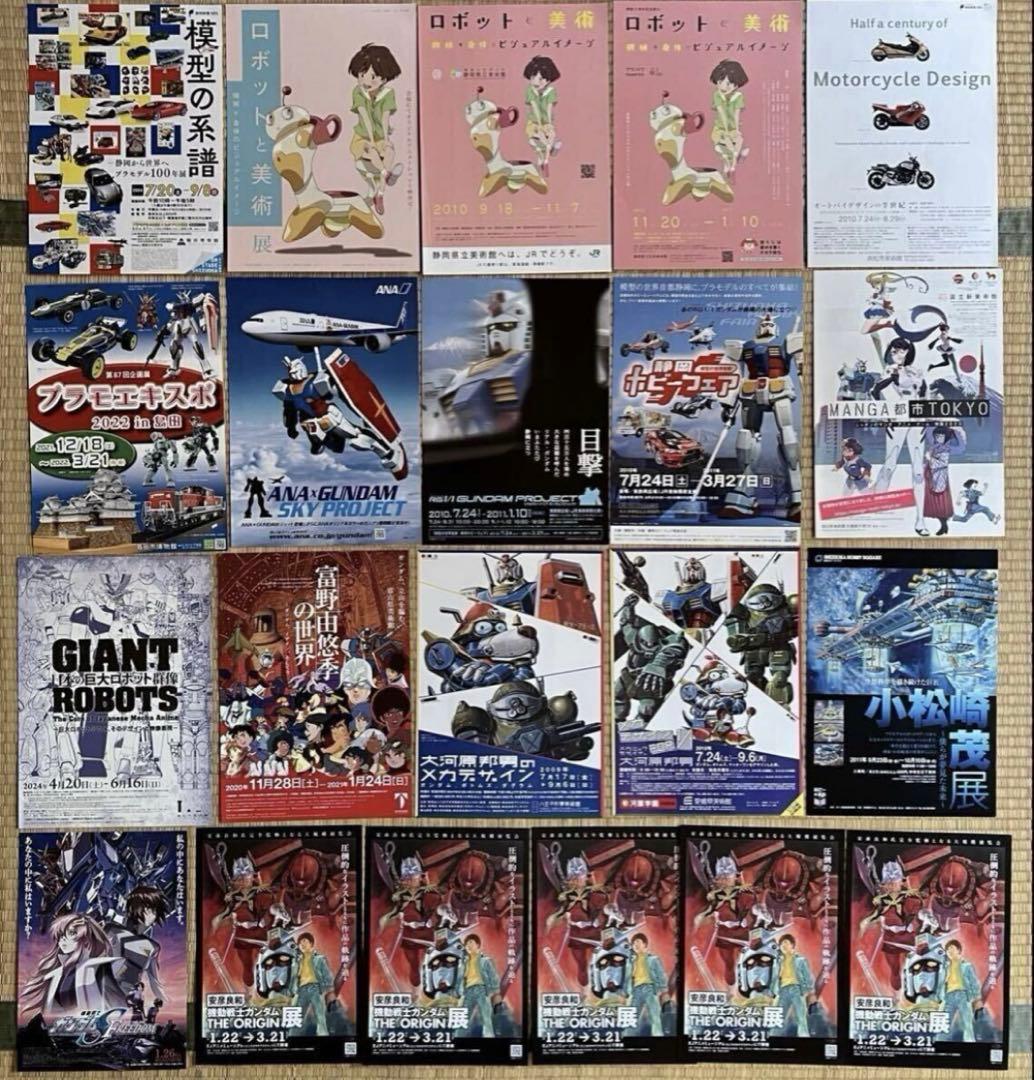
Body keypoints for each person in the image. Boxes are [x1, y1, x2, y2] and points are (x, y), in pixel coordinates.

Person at [348, 43, 403, 215]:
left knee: (390, 152)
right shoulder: (358, 92)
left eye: (373, 77)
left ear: (384, 79)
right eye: (362, 75)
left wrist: (385, 140)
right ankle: (387, 174)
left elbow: (385, 118)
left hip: (379, 137)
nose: (366, 81)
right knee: (372, 152)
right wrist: (371, 141)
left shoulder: (388, 94)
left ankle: (380, 194)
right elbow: (364, 117)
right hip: (362, 137)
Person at [922, 425, 966, 536]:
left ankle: (944, 525)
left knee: (941, 501)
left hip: (939, 477)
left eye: (941, 436)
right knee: (936, 502)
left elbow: (942, 464)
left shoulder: (945, 449)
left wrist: (929, 459)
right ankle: (943, 525)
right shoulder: (935, 446)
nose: (938, 438)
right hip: (932, 476)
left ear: (945, 437)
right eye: (937, 436)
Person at [709, 60, 749, 178]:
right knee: (722, 146)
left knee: (734, 144)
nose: (723, 86)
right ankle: (731, 163)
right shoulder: (717, 95)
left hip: (732, 128)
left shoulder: (738, 97)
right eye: (720, 82)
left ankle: (732, 166)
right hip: (720, 127)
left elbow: (737, 114)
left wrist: (736, 130)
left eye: (728, 84)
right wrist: (726, 131)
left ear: (736, 85)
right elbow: (722, 114)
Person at [290, 932, 335, 1036]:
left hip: (314, 988)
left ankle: (323, 1036)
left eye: (304, 941)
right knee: (296, 1016)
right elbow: (294, 977)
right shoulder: (297, 961)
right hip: (301, 990)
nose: (302, 944)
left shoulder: (319, 958)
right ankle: (292, 1037)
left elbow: (327, 975)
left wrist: (327, 989)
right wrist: (293, 990)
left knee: (320, 1016)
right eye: (300, 943)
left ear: (311, 943)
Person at [522, 56, 561, 175]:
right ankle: (543, 157)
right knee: (536, 140)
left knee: (548, 138)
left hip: (546, 121)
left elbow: (549, 108)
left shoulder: (551, 91)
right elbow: (534, 108)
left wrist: (548, 124)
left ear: (548, 80)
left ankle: (545, 160)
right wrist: (540, 125)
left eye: (541, 79)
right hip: (533, 122)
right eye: (533, 77)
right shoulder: (530, 90)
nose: (536, 82)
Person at [458, 934, 499, 1037]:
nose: (468, 946)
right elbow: (461, 979)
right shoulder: (464, 963)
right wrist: (461, 993)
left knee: (486, 1018)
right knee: (463, 1018)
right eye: (466, 944)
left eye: (470, 942)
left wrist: (493, 991)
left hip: (481, 989)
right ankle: (457, 1039)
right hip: (468, 991)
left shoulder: (485, 960)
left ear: (478, 945)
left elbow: (493, 976)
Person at [627, 933, 666, 1036]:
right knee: (631, 1017)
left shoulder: (653, 959)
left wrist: (662, 989)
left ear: (644, 944)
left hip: (649, 988)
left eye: (638, 942)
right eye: (633, 943)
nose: (635, 945)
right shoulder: (631, 961)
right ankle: (627, 1038)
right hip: (636, 990)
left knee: (655, 1016)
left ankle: (658, 1037)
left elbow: (661, 974)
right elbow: (628, 977)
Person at [774, 934, 814, 1037]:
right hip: (783, 990)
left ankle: (804, 1038)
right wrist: (775, 991)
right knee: (778, 1017)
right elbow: (775, 977)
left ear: (792, 945)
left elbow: (808, 976)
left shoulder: (800, 959)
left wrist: (806, 990)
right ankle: (773, 1038)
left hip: (796, 989)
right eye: (781, 944)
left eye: (785, 943)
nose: (783, 946)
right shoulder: (778, 961)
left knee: (801, 1017)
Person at [943, 939, 981, 1043]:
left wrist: (977, 999)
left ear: (958, 950)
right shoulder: (946, 967)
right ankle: (940, 1044)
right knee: (944, 1023)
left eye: (951, 948)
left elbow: (974, 982)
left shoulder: (966, 965)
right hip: (949, 996)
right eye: (947, 950)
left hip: (962, 995)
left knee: (967, 1023)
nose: (949, 951)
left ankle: (969, 1045)